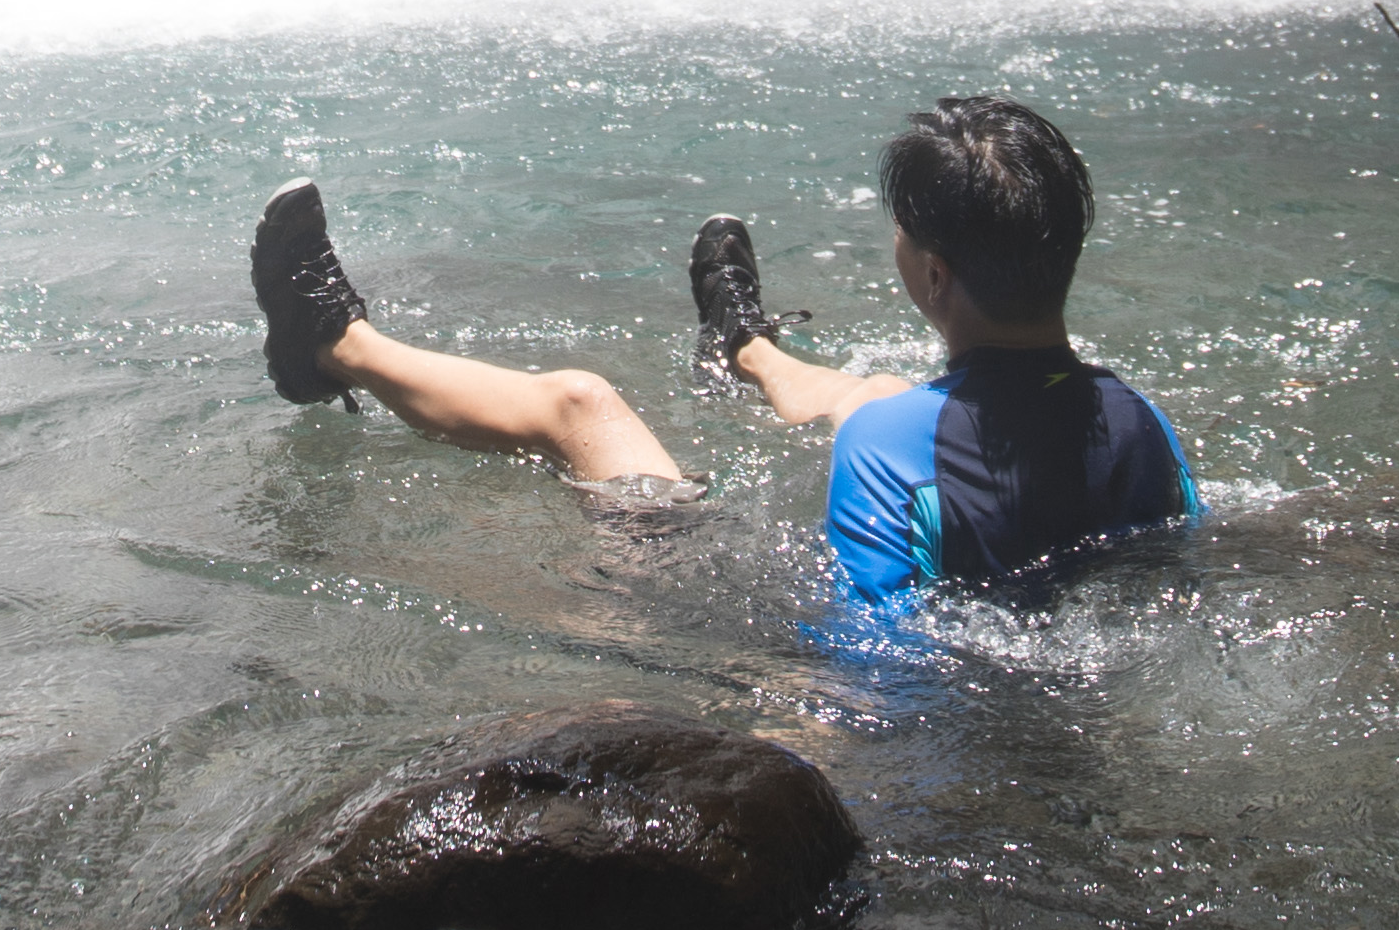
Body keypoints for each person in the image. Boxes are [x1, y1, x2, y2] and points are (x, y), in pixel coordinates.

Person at [244, 94, 1194, 608]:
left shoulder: (889, 451)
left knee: (580, 403)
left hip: (730, 618)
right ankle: (740, 345)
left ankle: (334, 345)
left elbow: (875, 667)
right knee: (881, 388)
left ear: (935, 276)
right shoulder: (1143, 427)